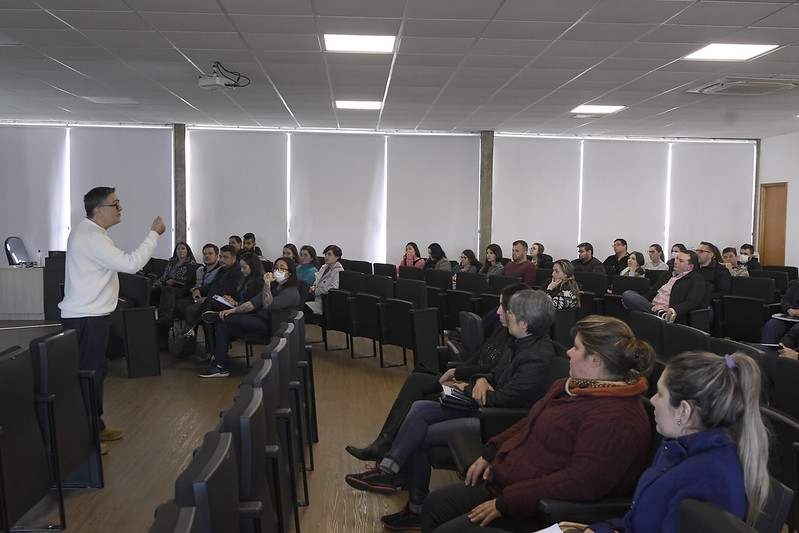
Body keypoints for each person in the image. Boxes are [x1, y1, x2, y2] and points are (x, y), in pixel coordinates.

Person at [345, 290, 557, 531]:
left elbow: (502, 400)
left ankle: (413, 505)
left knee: (420, 436)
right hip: (483, 406)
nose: (505, 315)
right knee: (421, 407)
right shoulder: (517, 342)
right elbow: (492, 374)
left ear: (525, 323)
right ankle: (390, 467)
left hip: (496, 422)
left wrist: (468, 387)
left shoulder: (537, 357)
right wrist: (479, 381)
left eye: (511, 313)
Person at [421, 316, 654, 533]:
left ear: (595, 360)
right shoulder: (572, 386)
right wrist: (491, 453)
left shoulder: (619, 417)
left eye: (576, 348)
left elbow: (580, 482)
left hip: (535, 508)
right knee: (435, 506)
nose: (569, 353)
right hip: (509, 483)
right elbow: (529, 422)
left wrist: (507, 502)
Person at [587, 351, 769, 533]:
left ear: (684, 411)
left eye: (660, 394)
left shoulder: (707, 480)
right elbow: (638, 521)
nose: (652, 400)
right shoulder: (678, 447)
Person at [345, 283, 529, 461]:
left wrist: (458, 376)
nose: (497, 311)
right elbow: (476, 358)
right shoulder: (502, 332)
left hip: (472, 391)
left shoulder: (515, 342)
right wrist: (457, 372)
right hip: (467, 380)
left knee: (419, 397)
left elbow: (490, 372)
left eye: (502, 307)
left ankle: (386, 449)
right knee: (417, 380)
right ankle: (384, 444)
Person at [59, 187, 166, 448]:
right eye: (115, 204)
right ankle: (86, 441)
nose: (120, 208)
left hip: (92, 316)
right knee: (89, 375)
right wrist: (154, 234)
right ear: (98, 211)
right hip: (87, 318)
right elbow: (131, 264)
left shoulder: (93, 233)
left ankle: (96, 427)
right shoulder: (92, 237)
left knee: (96, 372)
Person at [200, 257, 299, 378]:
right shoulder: (275, 286)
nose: (277, 271)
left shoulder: (291, 292)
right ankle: (220, 366)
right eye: (276, 268)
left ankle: (217, 316)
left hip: (272, 326)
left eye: (282, 268)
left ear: (290, 273)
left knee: (227, 319)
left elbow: (268, 305)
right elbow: (253, 303)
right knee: (224, 325)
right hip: (259, 319)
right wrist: (232, 310)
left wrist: (267, 283)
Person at [622, 250, 706, 323]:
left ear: (690, 267)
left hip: (669, 310)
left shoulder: (696, 280)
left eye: (680, 261)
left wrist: (671, 310)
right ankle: (659, 314)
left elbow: (692, 302)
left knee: (629, 297)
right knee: (629, 294)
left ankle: (660, 313)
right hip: (653, 306)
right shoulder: (666, 275)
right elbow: (650, 295)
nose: (675, 262)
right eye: (676, 258)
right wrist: (637, 301)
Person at [306, 244, 343, 315]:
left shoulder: (338, 271)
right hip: (315, 296)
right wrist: (313, 288)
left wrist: (317, 291)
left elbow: (334, 288)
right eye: (325, 254)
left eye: (329, 254)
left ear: (337, 257)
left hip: (325, 301)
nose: (326, 257)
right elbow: (317, 282)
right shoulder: (324, 267)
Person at [761, 280, 799, 344]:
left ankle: (787, 352)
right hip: (791, 315)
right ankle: (767, 351)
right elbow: (785, 299)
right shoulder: (795, 284)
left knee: (796, 329)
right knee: (772, 324)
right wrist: (789, 309)